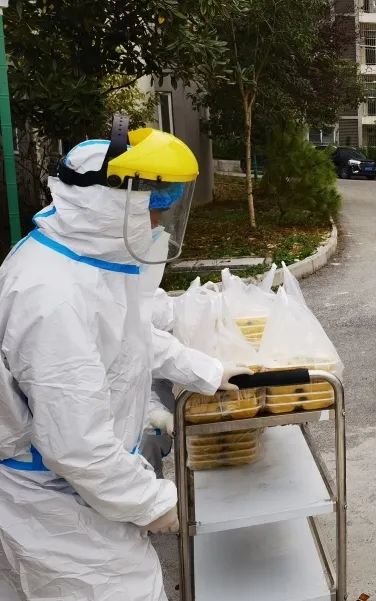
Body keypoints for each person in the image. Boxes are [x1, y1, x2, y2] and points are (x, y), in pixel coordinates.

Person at [0, 117, 248, 600]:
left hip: (82, 491)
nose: (158, 225)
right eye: (152, 210)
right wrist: (152, 502)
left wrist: (207, 371)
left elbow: (130, 339)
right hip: (54, 507)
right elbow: (75, 446)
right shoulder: (51, 295)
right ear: (112, 203)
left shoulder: (84, 261)